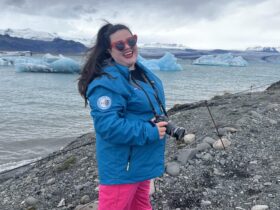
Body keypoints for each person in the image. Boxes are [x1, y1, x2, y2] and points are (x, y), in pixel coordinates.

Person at [78, 22, 168, 210]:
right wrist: (149, 131)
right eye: (119, 45)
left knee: (141, 204)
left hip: (141, 159)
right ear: (109, 51)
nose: (127, 47)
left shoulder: (138, 73)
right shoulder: (106, 83)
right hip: (122, 166)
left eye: (131, 40)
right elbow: (108, 126)